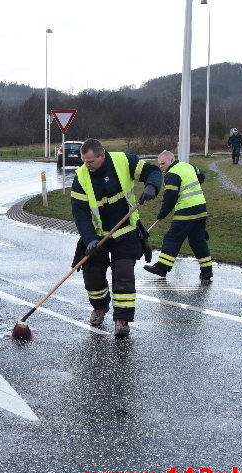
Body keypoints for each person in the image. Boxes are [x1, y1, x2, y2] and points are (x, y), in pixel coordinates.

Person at [71, 138, 162, 338]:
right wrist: (89, 239)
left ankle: (122, 320)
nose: (87, 165)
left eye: (90, 161)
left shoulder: (124, 161)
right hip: (98, 236)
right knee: (92, 274)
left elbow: (153, 171)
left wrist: (152, 187)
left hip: (125, 231)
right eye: (84, 161)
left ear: (102, 155)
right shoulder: (81, 177)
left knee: (123, 275)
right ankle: (100, 307)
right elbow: (81, 214)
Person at [143, 150, 212, 282]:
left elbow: (170, 198)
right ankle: (207, 271)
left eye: (163, 163)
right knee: (197, 240)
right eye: (159, 164)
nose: (161, 166)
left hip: (186, 209)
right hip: (201, 207)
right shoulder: (188, 165)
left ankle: (162, 268)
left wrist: (162, 214)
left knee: (172, 238)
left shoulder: (172, 174)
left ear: (171, 160)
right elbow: (201, 176)